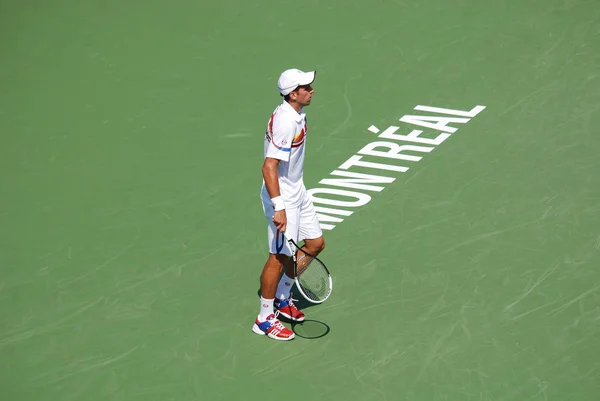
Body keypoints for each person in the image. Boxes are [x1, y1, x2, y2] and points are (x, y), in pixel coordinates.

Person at [252, 68, 326, 341]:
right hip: (282, 197)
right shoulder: (285, 121)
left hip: (298, 191)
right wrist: (279, 206)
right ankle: (264, 318)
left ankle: (283, 295)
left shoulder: (297, 113)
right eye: (306, 87)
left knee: (315, 244)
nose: (312, 90)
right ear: (293, 93)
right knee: (279, 256)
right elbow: (268, 166)